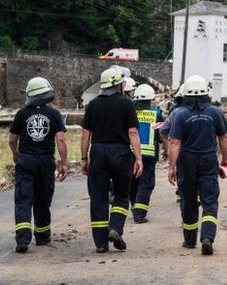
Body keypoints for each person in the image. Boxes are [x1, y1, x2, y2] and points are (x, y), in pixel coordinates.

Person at [81, 67, 143, 253]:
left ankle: (101, 243)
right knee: (122, 194)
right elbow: (132, 132)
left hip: (98, 152)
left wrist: (84, 158)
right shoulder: (126, 104)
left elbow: (85, 135)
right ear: (118, 84)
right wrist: (138, 158)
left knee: (98, 196)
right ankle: (115, 228)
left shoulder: (93, 105)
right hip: (120, 153)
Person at [167, 75, 227, 255]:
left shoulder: (180, 114)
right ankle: (207, 238)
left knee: (188, 199)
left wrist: (171, 167)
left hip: (186, 161)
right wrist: (225, 160)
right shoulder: (215, 112)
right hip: (208, 159)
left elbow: (175, 143)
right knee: (209, 200)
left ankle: (189, 240)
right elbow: (224, 138)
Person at [8, 77, 68, 253]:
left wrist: (16, 155)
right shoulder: (54, 114)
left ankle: (22, 239)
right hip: (45, 161)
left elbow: (12, 140)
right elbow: (61, 139)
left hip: (25, 160)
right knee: (43, 199)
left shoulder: (21, 114)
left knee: (23, 200)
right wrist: (63, 163)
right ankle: (42, 237)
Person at [129, 84, 162, 223]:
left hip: (131, 153)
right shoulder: (156, 114)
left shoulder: (130, 113)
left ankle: (134, 207)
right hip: (148, 156)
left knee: (133, 182)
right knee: (146, 183)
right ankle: (140, 214)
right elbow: (161, 134)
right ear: (151, 99)